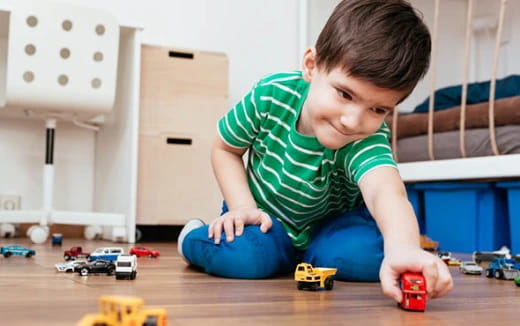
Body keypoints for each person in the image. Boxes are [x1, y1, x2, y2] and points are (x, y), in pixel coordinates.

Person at [177, 0, 453, 303]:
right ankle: (192, 237)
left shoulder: (367, 137)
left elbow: (386, 192)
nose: (352, 121)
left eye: (377, 109)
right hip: (263, 219)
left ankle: (318, 255)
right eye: (344, 94)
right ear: (311, 65)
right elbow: (225, 149)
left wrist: (403, 249)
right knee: (243, 256)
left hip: (332, 229)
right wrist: (242, 207)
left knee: (368, 254)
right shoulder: (270, 96)